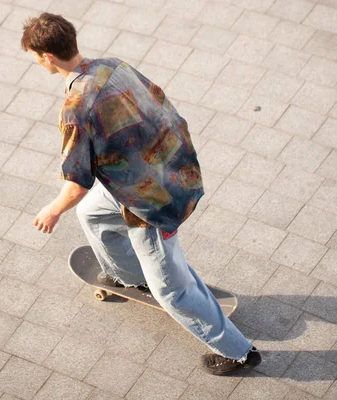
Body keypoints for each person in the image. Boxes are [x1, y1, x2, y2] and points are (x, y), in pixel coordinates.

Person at [21, 12, 261, 376]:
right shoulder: (113, 66)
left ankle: (240, 352)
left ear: (46, 58)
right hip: (170, 167)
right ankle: (128, 275)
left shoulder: (75, 109)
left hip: (150, 202)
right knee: (94, 215)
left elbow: (77, 183)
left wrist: (53, 210)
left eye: (34, 56)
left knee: (174, 293)